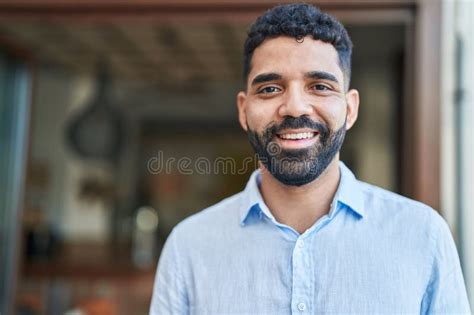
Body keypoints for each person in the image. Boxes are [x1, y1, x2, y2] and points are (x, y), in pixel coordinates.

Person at [149, 3, 471, 314]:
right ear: (243, 110)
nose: (295, 107)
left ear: (350, 108)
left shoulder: (423, 236)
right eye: (271, 89)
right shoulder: (188, 248)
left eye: (319, 86)